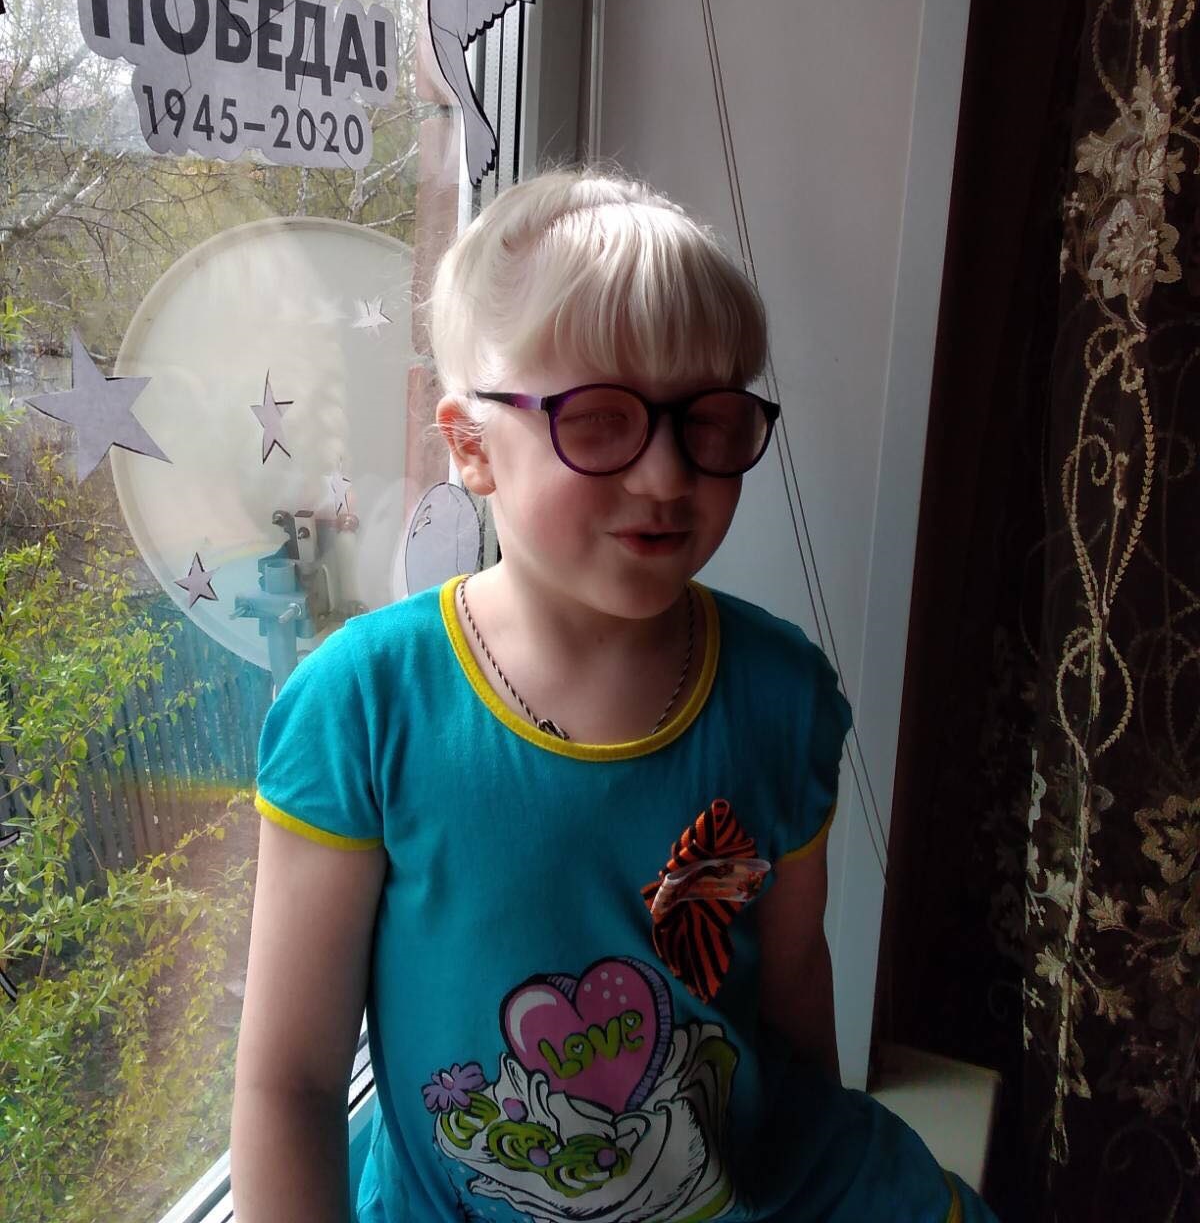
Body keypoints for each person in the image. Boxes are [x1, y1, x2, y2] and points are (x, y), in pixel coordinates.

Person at [231, 163, 1000, 1222]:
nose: (669, 477)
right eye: (599, 420)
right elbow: (292, 1084)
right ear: (471, 446)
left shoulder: (783, 695)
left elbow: (791, 999)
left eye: (710, 420)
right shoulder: (362, 709)